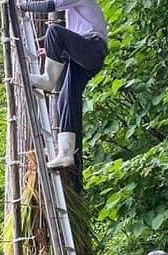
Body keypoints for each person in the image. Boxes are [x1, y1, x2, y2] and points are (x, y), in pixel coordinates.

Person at [18, 0, 108, 171]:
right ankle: (66, 153)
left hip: (93, 47)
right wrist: (53, 51)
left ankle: (48, 80)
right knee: (66, 99)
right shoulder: (74, 10)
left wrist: (22, 6)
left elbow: (51, 5)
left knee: (54, 31)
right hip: (87, 54)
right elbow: (74, 40)